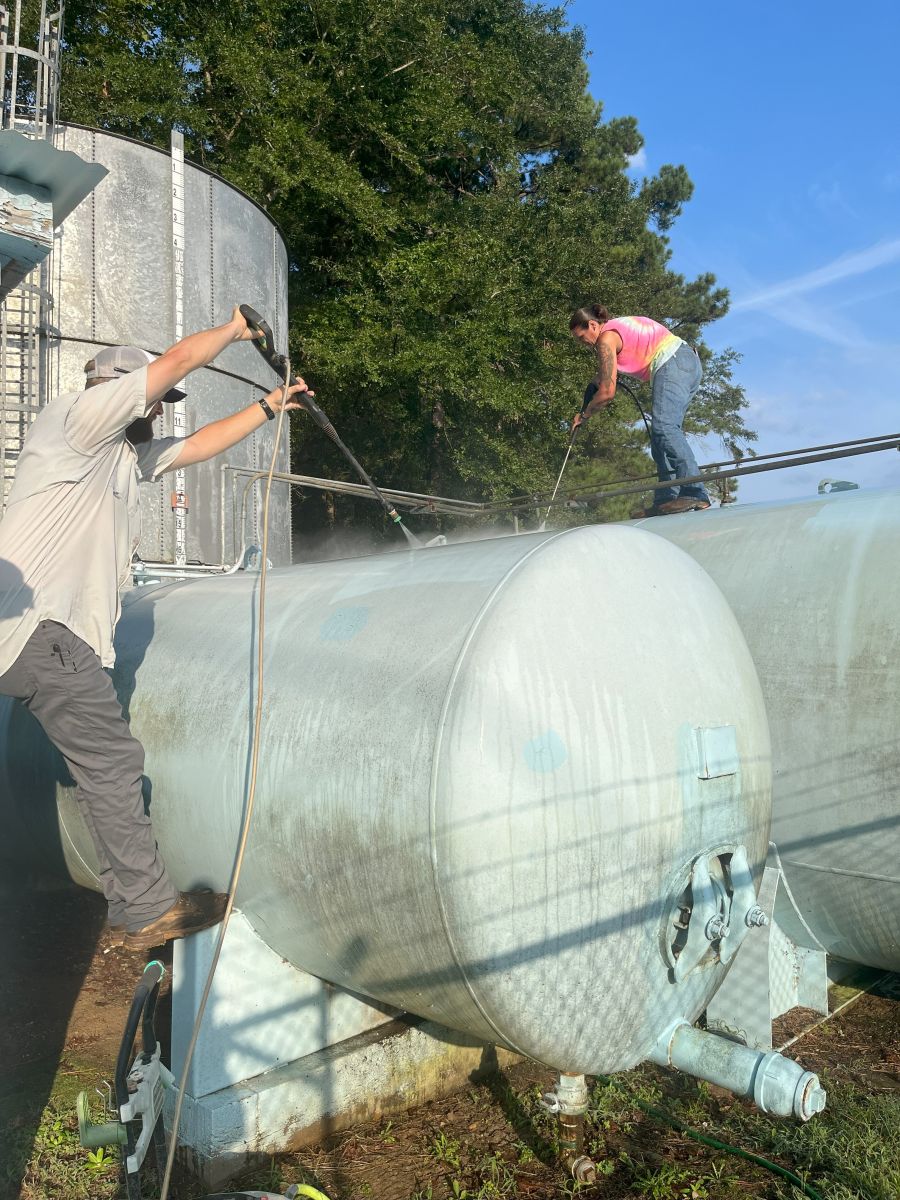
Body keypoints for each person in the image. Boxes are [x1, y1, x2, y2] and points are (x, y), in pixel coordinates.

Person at [0, 307, 310, 951]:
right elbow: (174, 362)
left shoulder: (120, 457)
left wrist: (269, 406)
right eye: (159, 400)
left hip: (42, 638)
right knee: (111, 761)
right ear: (117, 389)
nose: (164, 411)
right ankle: (145, 907)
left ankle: (132, 893)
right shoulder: (77, 422)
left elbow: (197, 447)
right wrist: (231, 330)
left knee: (96, 763)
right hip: (43, 630)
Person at [569, 304, 710, 515]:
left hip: (673, 362)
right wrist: (589, 394)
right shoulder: (615, 331)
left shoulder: (605, 339)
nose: (583, 344)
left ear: (592, 325)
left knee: (665, 428)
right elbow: (601, 380)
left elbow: (607, 392)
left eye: (582, 337)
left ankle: (694, 491)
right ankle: (666, 499)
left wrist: (585, 414)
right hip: (686, 363)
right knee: (660, 436)